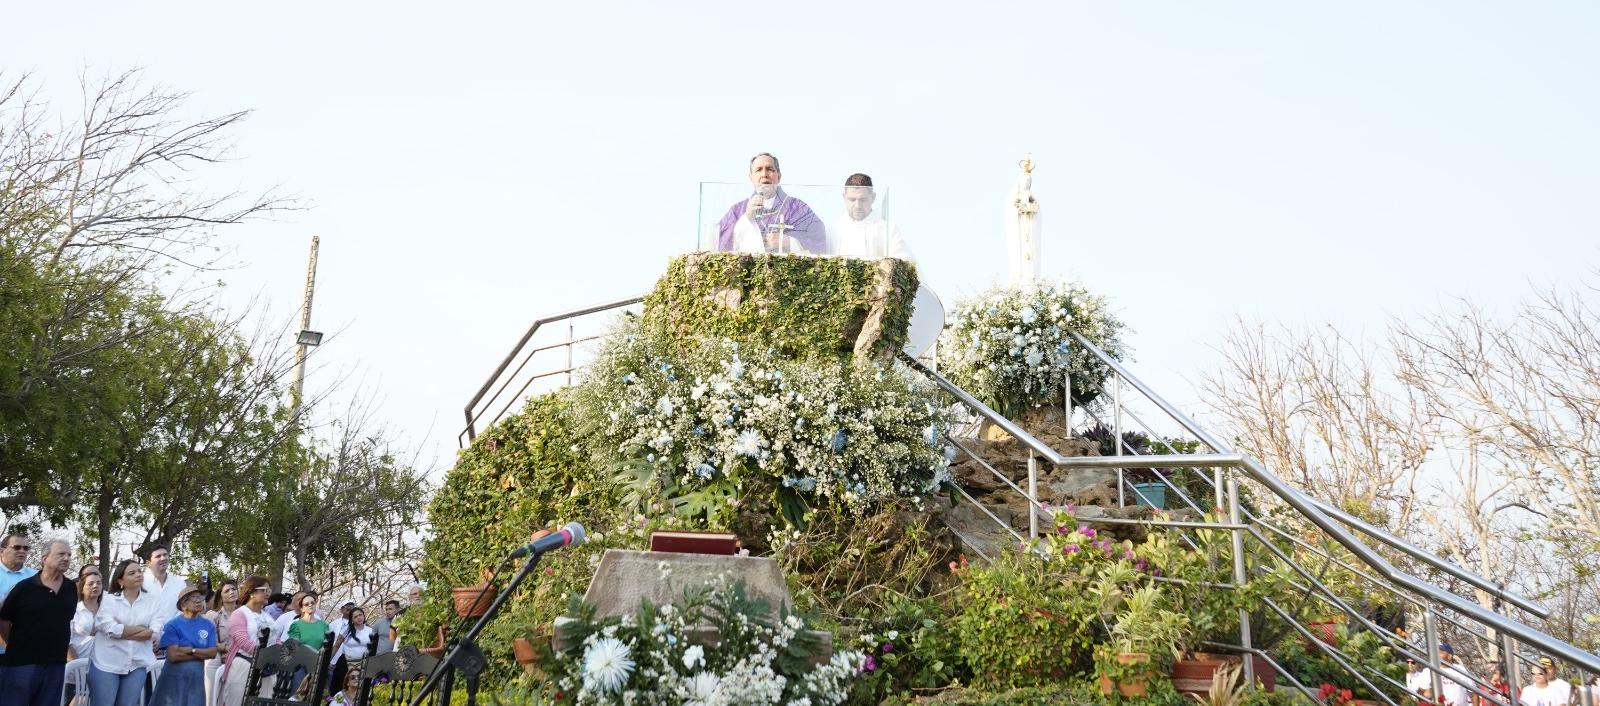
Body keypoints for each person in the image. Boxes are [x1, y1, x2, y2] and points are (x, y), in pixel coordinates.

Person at [0, 539, 77, 706]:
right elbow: (4, 620)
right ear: (45, 559)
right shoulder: (24, 588)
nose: (66, 558)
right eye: (61, 554)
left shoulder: (71, 588)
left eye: (69, 555)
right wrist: (13, 646)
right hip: (21, 664)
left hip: (56, 664)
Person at [716, 153, 825, 254]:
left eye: (770, 169)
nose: (764, 174)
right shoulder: (737, 210)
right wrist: (747, 219)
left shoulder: (798, 209)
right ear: (751, 177)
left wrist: (790, 242)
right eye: (758, 170)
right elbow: (719, 243)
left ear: (779, 176)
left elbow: (819, 238)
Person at [91, 558, 165, 706]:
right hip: (107, 663)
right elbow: (109, 629)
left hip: (137, 663)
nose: (138, 574)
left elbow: (155, 631)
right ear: (121, 580)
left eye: (139, 571)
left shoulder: (153, 601)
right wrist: (143, 630)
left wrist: (124, 628)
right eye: (132, 573)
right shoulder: (109, 600)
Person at [147, 588, 216, 706]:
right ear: (183, 605)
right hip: (173, 681)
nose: (198, 601)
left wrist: (191, 650)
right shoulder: (172, 625)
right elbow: (173, 655)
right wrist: (201, 653)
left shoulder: (208, 625)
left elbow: (212, 653)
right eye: (194, 598)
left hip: (196, 682)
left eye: (200, 597)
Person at [827, 173, 914, 261]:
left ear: (873, 197)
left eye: (863, 200)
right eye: (852, 200)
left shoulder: (888, 229)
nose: (857, 205)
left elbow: (904, 260)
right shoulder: (833, 230)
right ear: (844, 197)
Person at [219, 576, 275, 706]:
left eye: (269, 591)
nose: (268, 594)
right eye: (265, 590)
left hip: (267, 668)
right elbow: (242, 641)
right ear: (251, 592)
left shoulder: (268, 616)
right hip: (244, 666)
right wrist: (264, 655)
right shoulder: (239, 614)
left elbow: (276, 638)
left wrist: (276, 654)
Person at [0, 532, 40, 659]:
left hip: (29, 650)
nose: (22, 551)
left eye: (25, 548)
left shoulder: (37, 576)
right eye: (17, 547)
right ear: (2, 551)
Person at [284, 594, 329, 696]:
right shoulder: (296, 625)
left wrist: (318, 659)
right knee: (297, 696)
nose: (310, 605)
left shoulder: (324, 625)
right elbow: (294, 646)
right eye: (306, 604)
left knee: (316, 697)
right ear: (302, 608)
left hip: (319, 665)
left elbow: (327, 645)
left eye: (312, 603)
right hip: (300, 666)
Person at [204, 580, 237, 706]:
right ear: (221, 597)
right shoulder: (213, 615)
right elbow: (210, 642)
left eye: (233, 589)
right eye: (227, 591)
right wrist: (227, 648)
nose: (231, 592)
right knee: (212, 698)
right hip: (218, 656)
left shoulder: (244, 614)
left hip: (237, 657)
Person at [328, 607, 373, 693]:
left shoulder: (370, 630)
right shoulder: (347, 629)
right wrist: (328, 660)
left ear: (364, 615)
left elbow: (372, 650)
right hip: (345, 663)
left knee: (357, 690)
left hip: (362, 664)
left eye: (360, 615)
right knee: (338, 689)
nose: (359, 618)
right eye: (355, 617)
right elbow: (336, 646)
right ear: (352, 619)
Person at [143, 546, 187, 629]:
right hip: (146, 635)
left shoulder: (179, 583)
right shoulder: (141, 583)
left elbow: (183, 609)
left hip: (174, 634)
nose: (163, 558)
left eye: (165, 555)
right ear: (148, 563)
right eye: (158, 556)